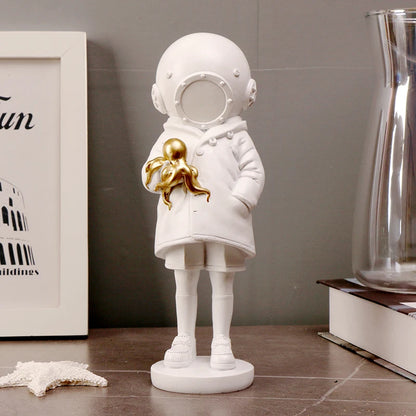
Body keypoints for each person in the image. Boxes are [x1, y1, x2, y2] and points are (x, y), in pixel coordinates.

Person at [142, 33, 265, 370]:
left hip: (225, 220)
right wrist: (166, 176)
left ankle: (221, 340)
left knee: (223, 280)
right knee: (185, 280)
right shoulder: (170, 137)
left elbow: (254, 171)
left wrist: (239, 201)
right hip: (183, 220)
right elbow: (150, 176)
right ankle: (184, 338)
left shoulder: (236, 136)